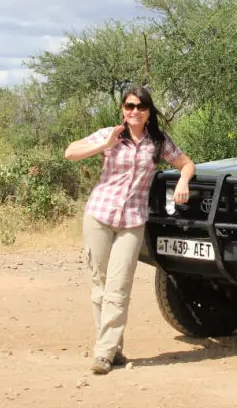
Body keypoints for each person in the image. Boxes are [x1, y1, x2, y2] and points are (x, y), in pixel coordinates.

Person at [64, 86, 195, 374]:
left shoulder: (157, 142)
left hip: (133, 220)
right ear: (123, 109)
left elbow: (186, 163)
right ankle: (112, 348)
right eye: (129, 106)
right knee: (99, 285)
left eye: (140, 107)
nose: (134, 111)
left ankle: (103, 353)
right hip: (99, 214)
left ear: (149, 113)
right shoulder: (111, 135)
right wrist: (103, 146)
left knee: (119, 286)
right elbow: (70, 152)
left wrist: (183, 182)